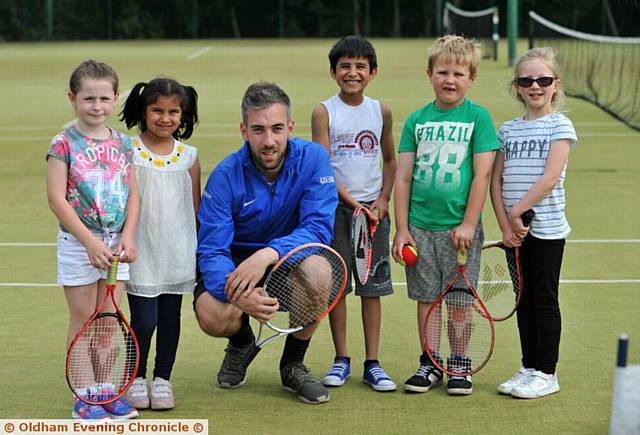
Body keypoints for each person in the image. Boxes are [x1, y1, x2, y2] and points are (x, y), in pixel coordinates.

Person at [194, 82, 338, 404]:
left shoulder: (314, 159)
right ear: (244, 130)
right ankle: (242, 342)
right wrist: (238, 294)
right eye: (258, 130)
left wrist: (269, 253)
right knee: (210, 314)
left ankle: (292, 364)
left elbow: (318, 227)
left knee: (320, 272)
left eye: (276, 129)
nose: (269, 141)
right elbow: (212, 249)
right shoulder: (225, 175)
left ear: (290, 127)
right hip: (238, 271)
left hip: (287, 262)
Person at [391, 35, 499, 396]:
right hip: (420, 228)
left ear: (471, 78)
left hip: (459, 232)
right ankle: (430, 361)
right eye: (442, 72)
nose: (449, 80)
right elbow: (403, 177)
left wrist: (469, 223)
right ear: (429, 74)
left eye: (458, 73)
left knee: (457, 303)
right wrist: (402, 229)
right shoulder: (416, 120)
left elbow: (482, 175)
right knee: (427, 300)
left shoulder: (478, 118)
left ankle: (459, 363)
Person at [46, 59, 140, 419]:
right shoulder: (63, 144)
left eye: (104, 98)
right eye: (88, 98)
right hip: (79, 245)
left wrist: (128, 236)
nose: (97, 106)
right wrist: (88, 241)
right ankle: (84, 396)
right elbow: (56, 199)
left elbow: (134, 195)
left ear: (116, 98)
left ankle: (106, 392)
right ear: (72, 98)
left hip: (115, 247)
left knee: (106, 325)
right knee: (83, 320)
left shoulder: (123, 143)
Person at [311, 35, 397, 392]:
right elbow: (323, 166)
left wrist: (382, 200)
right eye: (345, 66)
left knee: (372, 289)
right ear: (333, 72)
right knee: (337, 290)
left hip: (374, 214)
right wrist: (350, 203)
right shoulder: (323, 111)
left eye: (361, 66)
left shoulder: (382, 111)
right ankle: (341, 358)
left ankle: (372, 363)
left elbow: (391, 161)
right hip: (338, 213)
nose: (352, 72)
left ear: (373, 72)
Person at [491, 47, 577, 399]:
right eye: (527, 80)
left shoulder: (560, 125)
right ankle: (528, 367)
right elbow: (496, 181)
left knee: (543, 300)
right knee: (522, 299)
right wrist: (506, 225)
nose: (535, 86)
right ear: (517, 86)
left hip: (546, 230)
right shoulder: (508, 130)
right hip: (515, 234)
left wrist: (517, 212)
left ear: (555, 84)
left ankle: (547, 372)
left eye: (543, 80)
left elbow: (549, 177)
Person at [119, 78, 201, 410]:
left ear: (183, 115)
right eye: (157, 110)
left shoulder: (190, 156)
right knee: (143, 320)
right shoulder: (128, 149)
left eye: (173, 111)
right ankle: (135, 377)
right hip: (141, 250)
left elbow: (194, 208)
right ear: (143, 110)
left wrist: (198, 251)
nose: (165, 118)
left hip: (178, 250)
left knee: (170, 318)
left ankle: (162, 378)